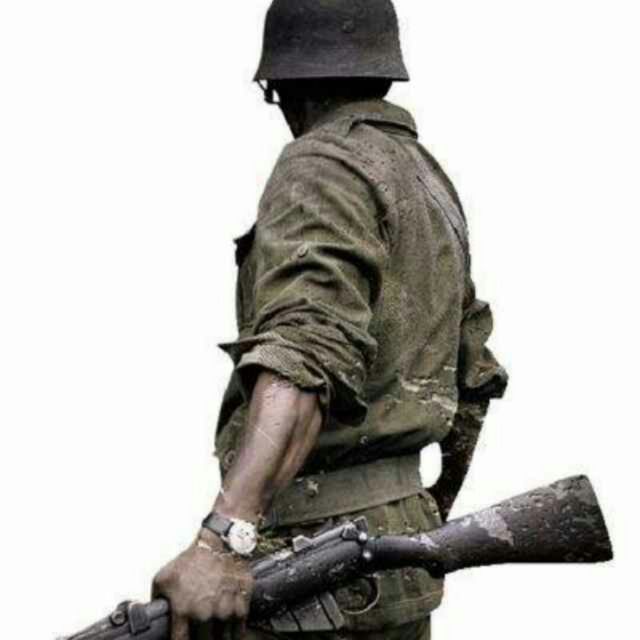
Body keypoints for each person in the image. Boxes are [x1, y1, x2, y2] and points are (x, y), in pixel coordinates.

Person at [152, 2, 508, 639]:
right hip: (391, 560)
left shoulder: (320, 165)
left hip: (313, 565)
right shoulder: (425, 178)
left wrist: (222, 542)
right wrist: (425, 514)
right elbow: (474, 376)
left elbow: (303, 355)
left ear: (285, 85)